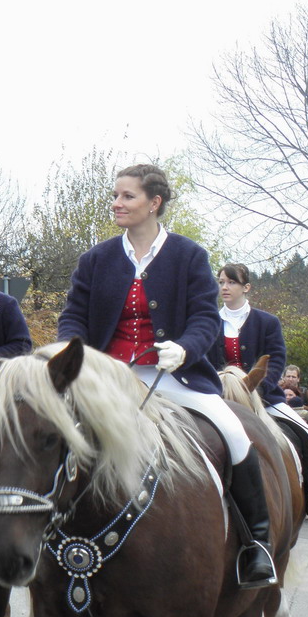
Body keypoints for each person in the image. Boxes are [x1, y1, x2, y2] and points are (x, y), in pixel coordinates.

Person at [58, 163, 276, 588]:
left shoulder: (189, 256)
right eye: (115, 195)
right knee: (42, 427)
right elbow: (73, 317)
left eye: (127, 196)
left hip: (174, 375)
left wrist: (186, 348)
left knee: (235, 432)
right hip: (106, 377)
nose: (116, 203)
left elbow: (205, 318)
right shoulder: (96, 259)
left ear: (154, 202)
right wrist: (72, 352)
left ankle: (257, 544)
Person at [208, 262, 308, 525]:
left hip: (263, 396)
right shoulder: (209, 321)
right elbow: (204, 360)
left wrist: (258, 389)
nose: (224, 287)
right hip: (218, 396)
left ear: (246, 287)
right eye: (221, 282)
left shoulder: (267, 322)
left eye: (231, 282)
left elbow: (275, 359)